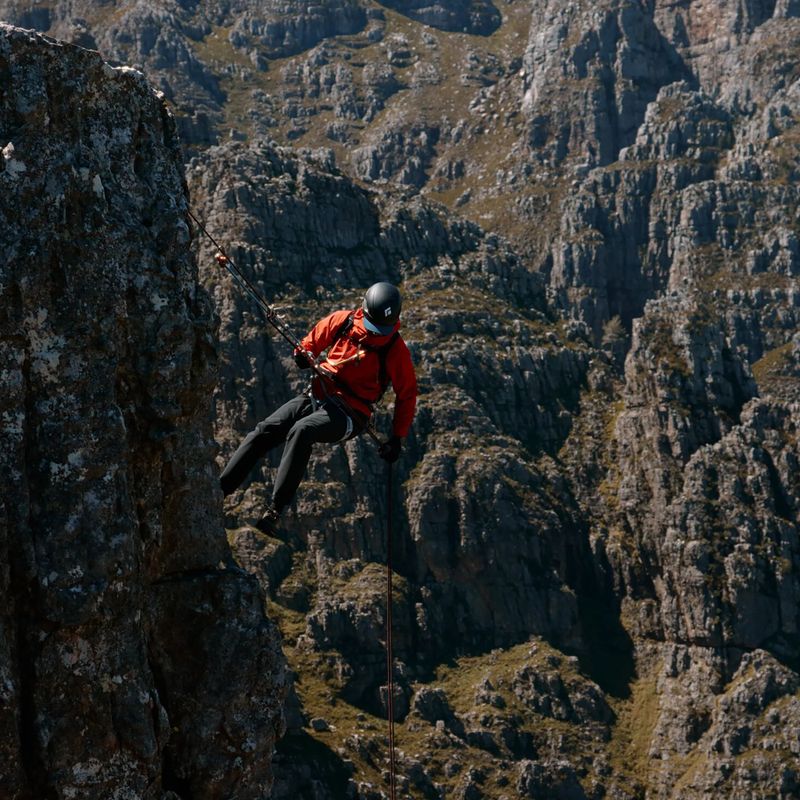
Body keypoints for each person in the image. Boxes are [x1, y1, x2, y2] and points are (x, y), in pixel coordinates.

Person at [218, 269, 418, 531]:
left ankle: (275, 510)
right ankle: (219, 490)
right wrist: (302, 355)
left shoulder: (395, 350)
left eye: (382, 329)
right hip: (319, 394)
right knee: (264, 431)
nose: (377, 334)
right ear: (363, 311)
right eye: (373, 327)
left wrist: (397, 438)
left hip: (351, 414)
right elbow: (310, 344)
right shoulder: (343, 321)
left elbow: (407, 394)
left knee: (303, 431)